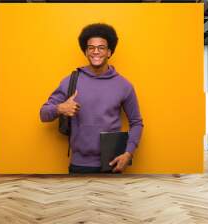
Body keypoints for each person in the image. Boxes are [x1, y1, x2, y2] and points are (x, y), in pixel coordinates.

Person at [40, 23, 143, 174]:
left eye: (101, 48)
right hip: (79, 165)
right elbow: (43, 114)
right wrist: (60, 108)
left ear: (109, 52)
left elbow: (137, 122)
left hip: (112, 164)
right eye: (91, 48)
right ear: (86, 51)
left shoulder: (124, 85)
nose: (96, 52)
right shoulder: (70, 81)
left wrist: (129, 153)